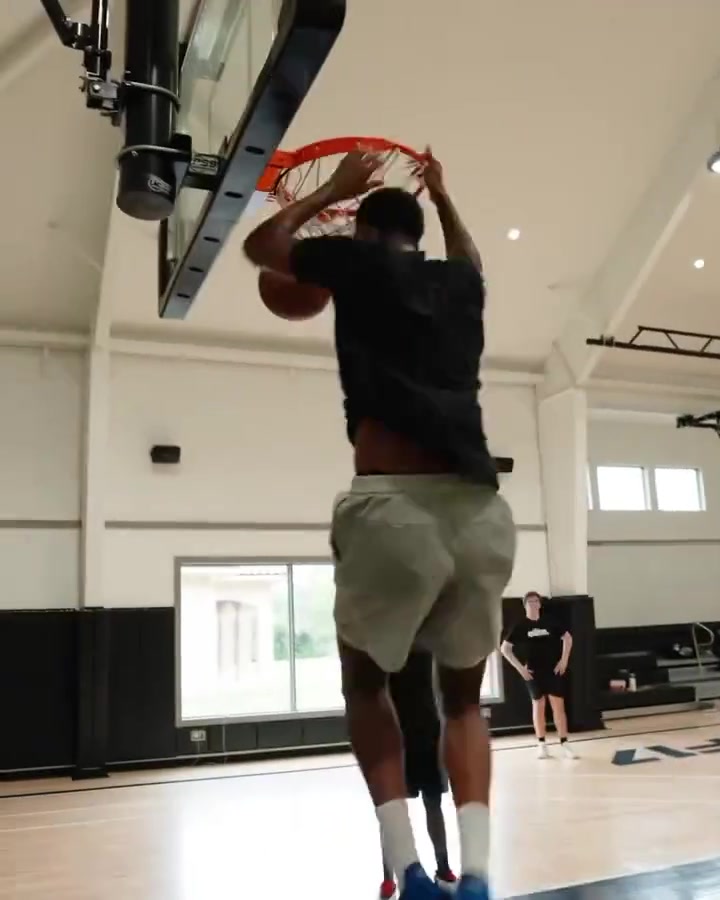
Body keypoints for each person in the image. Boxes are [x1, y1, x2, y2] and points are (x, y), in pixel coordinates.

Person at [244, 147, 516, 900]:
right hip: (482, 514)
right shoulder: (460, 284)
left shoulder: (358, 263)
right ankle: (478, 874)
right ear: (419, 236)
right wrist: (445, 194)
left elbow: (261, 248)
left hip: (395, 508)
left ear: (363, 232)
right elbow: (472, 259)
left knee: (366, 688)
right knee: (465, 701)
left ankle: (408, 869)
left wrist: (330, 190)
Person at [380, 650, 457, 899]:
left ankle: (443, 867)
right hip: (395, 735)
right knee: (392, 809)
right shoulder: (385, 648)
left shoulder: (427, 645)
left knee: (433, 803)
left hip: (428, 731)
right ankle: (388, 877)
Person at [500, 591, 577, 759]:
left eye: (536, 601)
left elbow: (568, 638)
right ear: (525, 605)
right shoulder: (520, 625)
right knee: (538, 704)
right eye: (530, 602)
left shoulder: (550, 621)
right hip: (533, 672)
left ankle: (564, 743)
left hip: (553, 670)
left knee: (558, 705)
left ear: (540, 604)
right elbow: (505, 649)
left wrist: (564, 660)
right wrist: (520, 669)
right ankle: (542, 744)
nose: (534, 604)